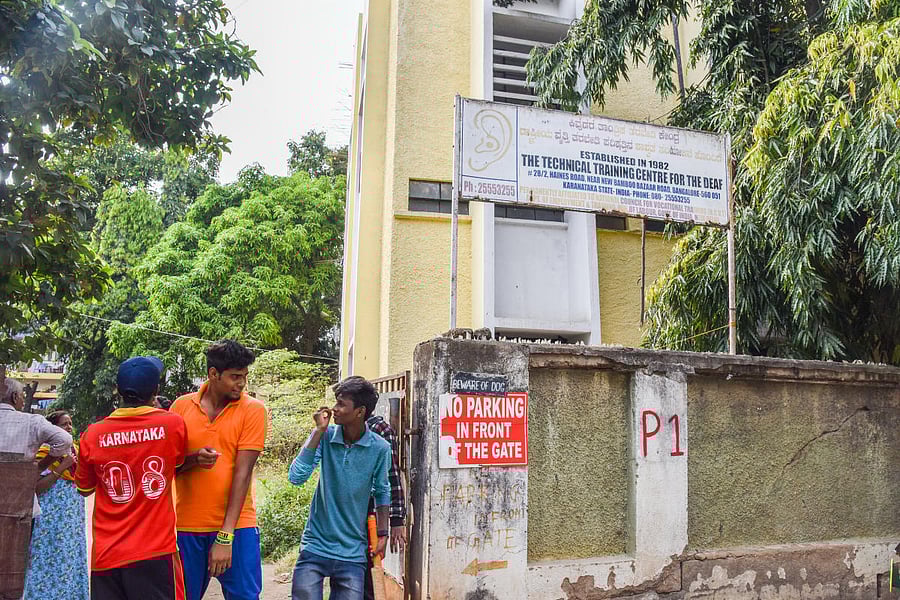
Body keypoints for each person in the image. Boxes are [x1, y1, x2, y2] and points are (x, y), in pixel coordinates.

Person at [74, 356, 189, 600]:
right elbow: (178, 463)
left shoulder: (92, 434)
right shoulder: (172, 424)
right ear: (156, 390)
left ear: (117, 390)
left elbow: (84, 488)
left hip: (107, 554)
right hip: (155, 551)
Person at [170, 340, 267, 600]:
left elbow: (243, 474)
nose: (241, 383)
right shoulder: (180, 408)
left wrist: (226, 536)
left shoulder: (253, 410)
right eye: (235, 377)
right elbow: (168, 467)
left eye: (244, 376)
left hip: (238, 526)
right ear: (213, 374)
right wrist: (193, 460)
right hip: (188, 526)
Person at [289, 376, 392, 600]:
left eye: (341, 404)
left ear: (360, 411)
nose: (334, 408)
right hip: (315, 545)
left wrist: (383, 534)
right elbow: (296, 477)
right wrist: (318, 431)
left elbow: (382, 490)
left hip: (353, 552)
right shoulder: (324, 436)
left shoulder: (380, 448)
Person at [0, 378, 72, 600]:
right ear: (14, 397)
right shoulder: (31, 422)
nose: (23, 400)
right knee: (14, 566)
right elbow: (64, 441)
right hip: (20, 505)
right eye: (22, 396)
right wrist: (38, 467)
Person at [24, 411, 90, 600]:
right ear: (53, 429)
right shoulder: (44, 453)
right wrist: (61, 467)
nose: (69, 427)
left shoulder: (75, 451)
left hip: (72, 519)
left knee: (70, 557)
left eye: (70, 423)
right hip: (50, 519)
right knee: (48, 557)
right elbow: (37, 488)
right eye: (64, 424)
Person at [364, 401, 407, 600]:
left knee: (369, 568)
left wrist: (396, 519)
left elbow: (392, 475)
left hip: (372, 514)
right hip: (349, 513)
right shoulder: (340, 432)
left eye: (341, 402)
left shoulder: (379, 430)